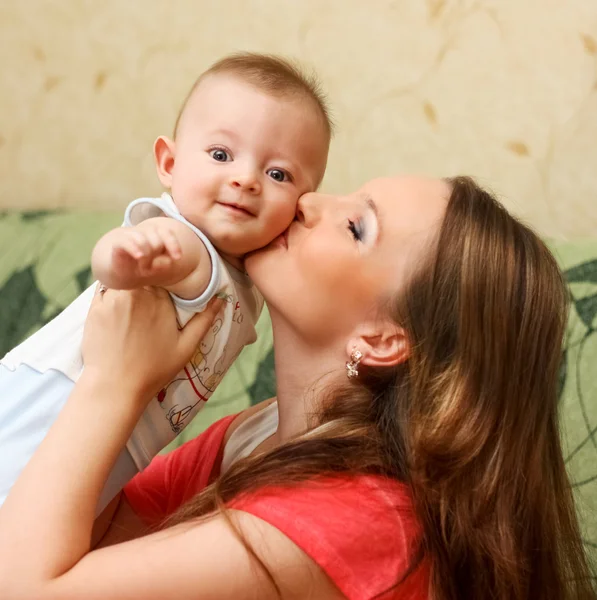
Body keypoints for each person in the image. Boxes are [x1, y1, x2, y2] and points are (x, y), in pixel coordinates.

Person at [0, 176, 593, 600]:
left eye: (356, 226)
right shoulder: (258, 435)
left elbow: (22, 587)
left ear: (385, 338)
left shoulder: (365, 522)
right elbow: (89, 540)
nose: (307, 201)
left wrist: (115, 381)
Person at [0, 52, 331, 511]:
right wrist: (127, 256)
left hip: (112, 439)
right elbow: (123, 260)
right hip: (53, 402)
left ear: (303, 204)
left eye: (278, 173)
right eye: (221, 155)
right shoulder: (186, 243)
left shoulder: (251, 279)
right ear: (169, 163)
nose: (245, 179)